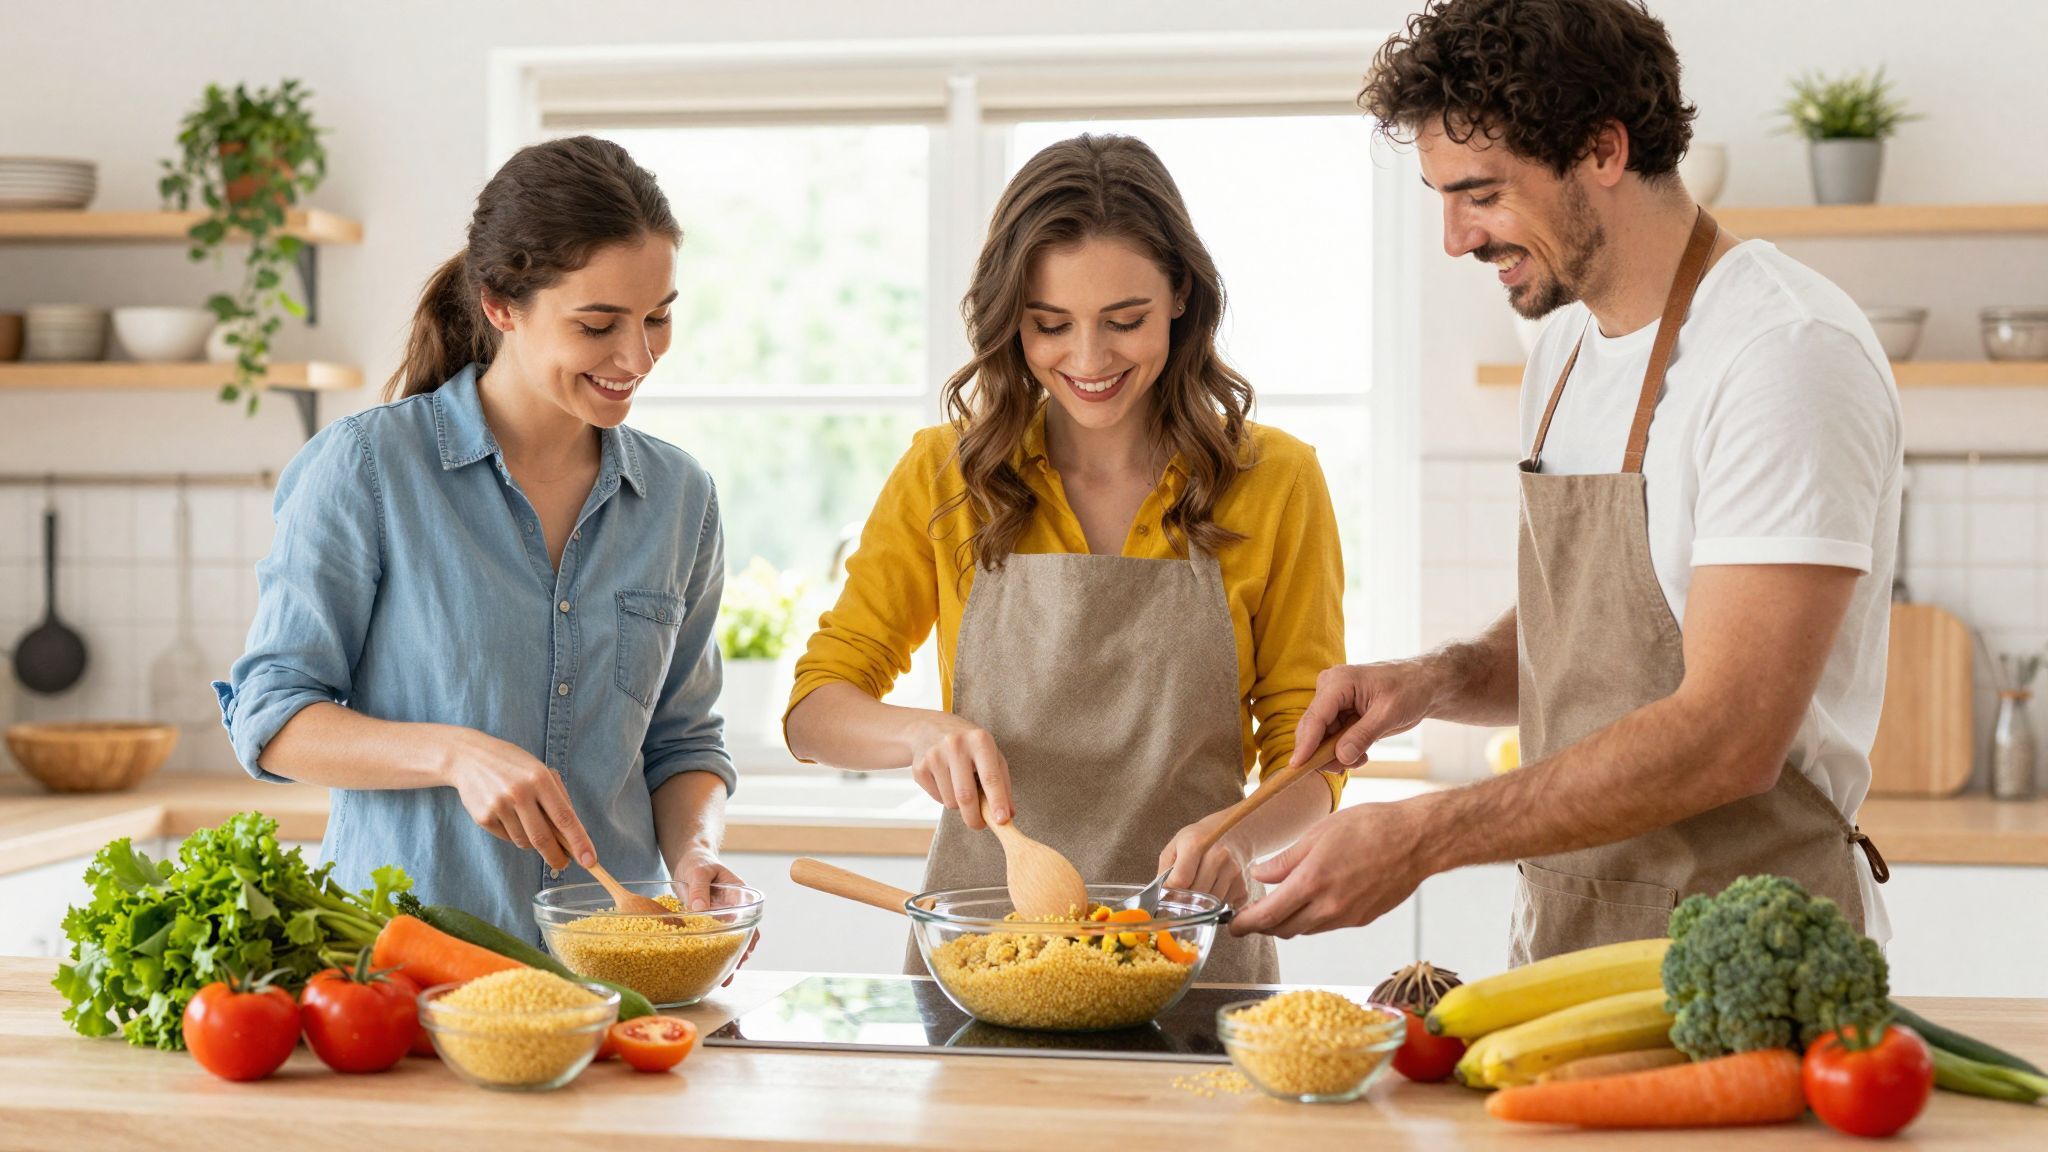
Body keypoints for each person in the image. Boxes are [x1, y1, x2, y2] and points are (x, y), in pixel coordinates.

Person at [1233, 0, 1900, 963]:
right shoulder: (1566, 353)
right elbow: (1595, 643)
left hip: (1755, 958)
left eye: (1483, 194)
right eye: (1443, 198)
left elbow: (1730, 733)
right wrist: (1433, 681)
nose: (1456, 238)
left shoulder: (1783, 352)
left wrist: (1422, 836)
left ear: (1602, 149)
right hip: (1565, 949)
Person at [784, 134, 1346, 981]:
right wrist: (918, 733)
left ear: (1181, 298)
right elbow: (812, 711)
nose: (1088, 361)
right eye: (1051, 326)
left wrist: (1243, 839)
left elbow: (1313, 750)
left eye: (1125, 322)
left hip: (1191, 955)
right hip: (982, 964)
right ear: (1012, 319)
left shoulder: (1277, 480)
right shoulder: (946, 474)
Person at [216, 136, 745, 942]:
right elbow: (272, 716)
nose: (637, 357)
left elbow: (683, 739)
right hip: (403, 970)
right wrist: (454, 754)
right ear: (501, 305)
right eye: (598, 324)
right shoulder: (367, 470)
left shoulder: (680, 499)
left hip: (616, 969)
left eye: (659, 318)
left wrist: (696, 854)